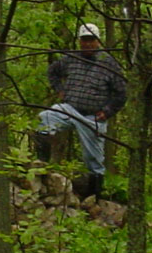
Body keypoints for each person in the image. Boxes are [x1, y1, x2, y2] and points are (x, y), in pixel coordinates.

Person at [34, 22, 127, 198]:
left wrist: (107, 112)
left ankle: (95, 197)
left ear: (98, 41)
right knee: (45, 118)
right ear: (79, 41)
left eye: (91, 40)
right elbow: (52, 71)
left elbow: (121, 93)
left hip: (94, 117)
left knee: (94, 161)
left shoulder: (109, 63)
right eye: (84, 40)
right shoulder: (71, 58)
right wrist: (59, 89)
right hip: (69, 108)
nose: (88, 44)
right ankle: (41, 165)